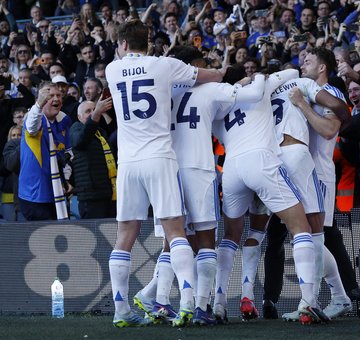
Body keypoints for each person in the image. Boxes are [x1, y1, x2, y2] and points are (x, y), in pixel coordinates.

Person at [105, 20, 224, 328]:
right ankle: (186, 303)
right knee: (176, 232)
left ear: (123, 45)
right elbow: (210, 75)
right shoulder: (165, 65)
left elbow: (130, 62)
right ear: (149, 42)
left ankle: (120, 310)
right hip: (160, 158)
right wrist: (217, 72)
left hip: (128, 162)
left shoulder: (112, 69)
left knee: (124, 237)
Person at [212, 67, 329, 325]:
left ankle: (220, 303)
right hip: (261, 161)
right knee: (301, 227)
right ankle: (309, 301)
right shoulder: (260, 86)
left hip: (231, 168)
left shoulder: (217, 104)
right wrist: (255, 78)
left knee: (232, 236)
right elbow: (292, 71)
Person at [263, 65, 351, 319]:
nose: (303, 61)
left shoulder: (321, 90)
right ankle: (328, 298)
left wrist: (303, 104)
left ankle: (322, 299)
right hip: (297, 162)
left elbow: (332, 126)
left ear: (322, 66)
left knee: (311, 236)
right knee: (308, 236)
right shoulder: (295, 88)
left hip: (314, 168)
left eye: (309, 57)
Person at [18, 82, 73, 221]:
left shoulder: (64, 121)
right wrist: (38, 105)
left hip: (57, 192)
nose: (56, 99)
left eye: (59, 95)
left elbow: (67, 154)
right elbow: (31, 126)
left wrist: (65, 180)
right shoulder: (35, 118)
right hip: (35, 195)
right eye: (50, 95)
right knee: (42, 240)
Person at [70, 98, 116, 219]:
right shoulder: (75, 128)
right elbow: (80, 140)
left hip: (107, 193)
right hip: (90, 196)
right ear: (79, 117)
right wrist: (95, 115)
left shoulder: (100, 132)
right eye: (88, 111)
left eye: (94, 110)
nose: (92, 113)